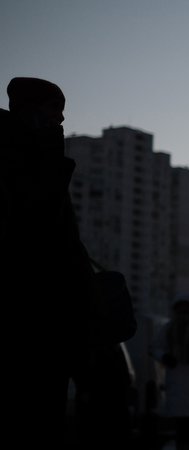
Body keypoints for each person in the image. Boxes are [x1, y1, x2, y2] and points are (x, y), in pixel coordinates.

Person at [0, 77, 96, 447]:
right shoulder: (21, 160)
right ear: (29, 110)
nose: (60, 120)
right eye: (53, 110)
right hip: (30, 319)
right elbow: (38, 228)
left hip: (48, 321)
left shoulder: (37, 157)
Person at [150, 295, 189, 450]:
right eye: (181, 309)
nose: (184, 313)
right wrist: (165, 357)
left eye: (187, 309)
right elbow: (154, 348)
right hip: (176, 384)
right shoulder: (168, 328)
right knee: (180, 429)